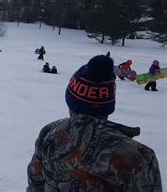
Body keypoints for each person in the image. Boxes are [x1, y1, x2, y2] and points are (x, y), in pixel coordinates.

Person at [27, 55, 162, 191]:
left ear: (70, 101)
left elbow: (35, 184)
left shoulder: (50, 133)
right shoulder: (140, 157)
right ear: (109, 104)